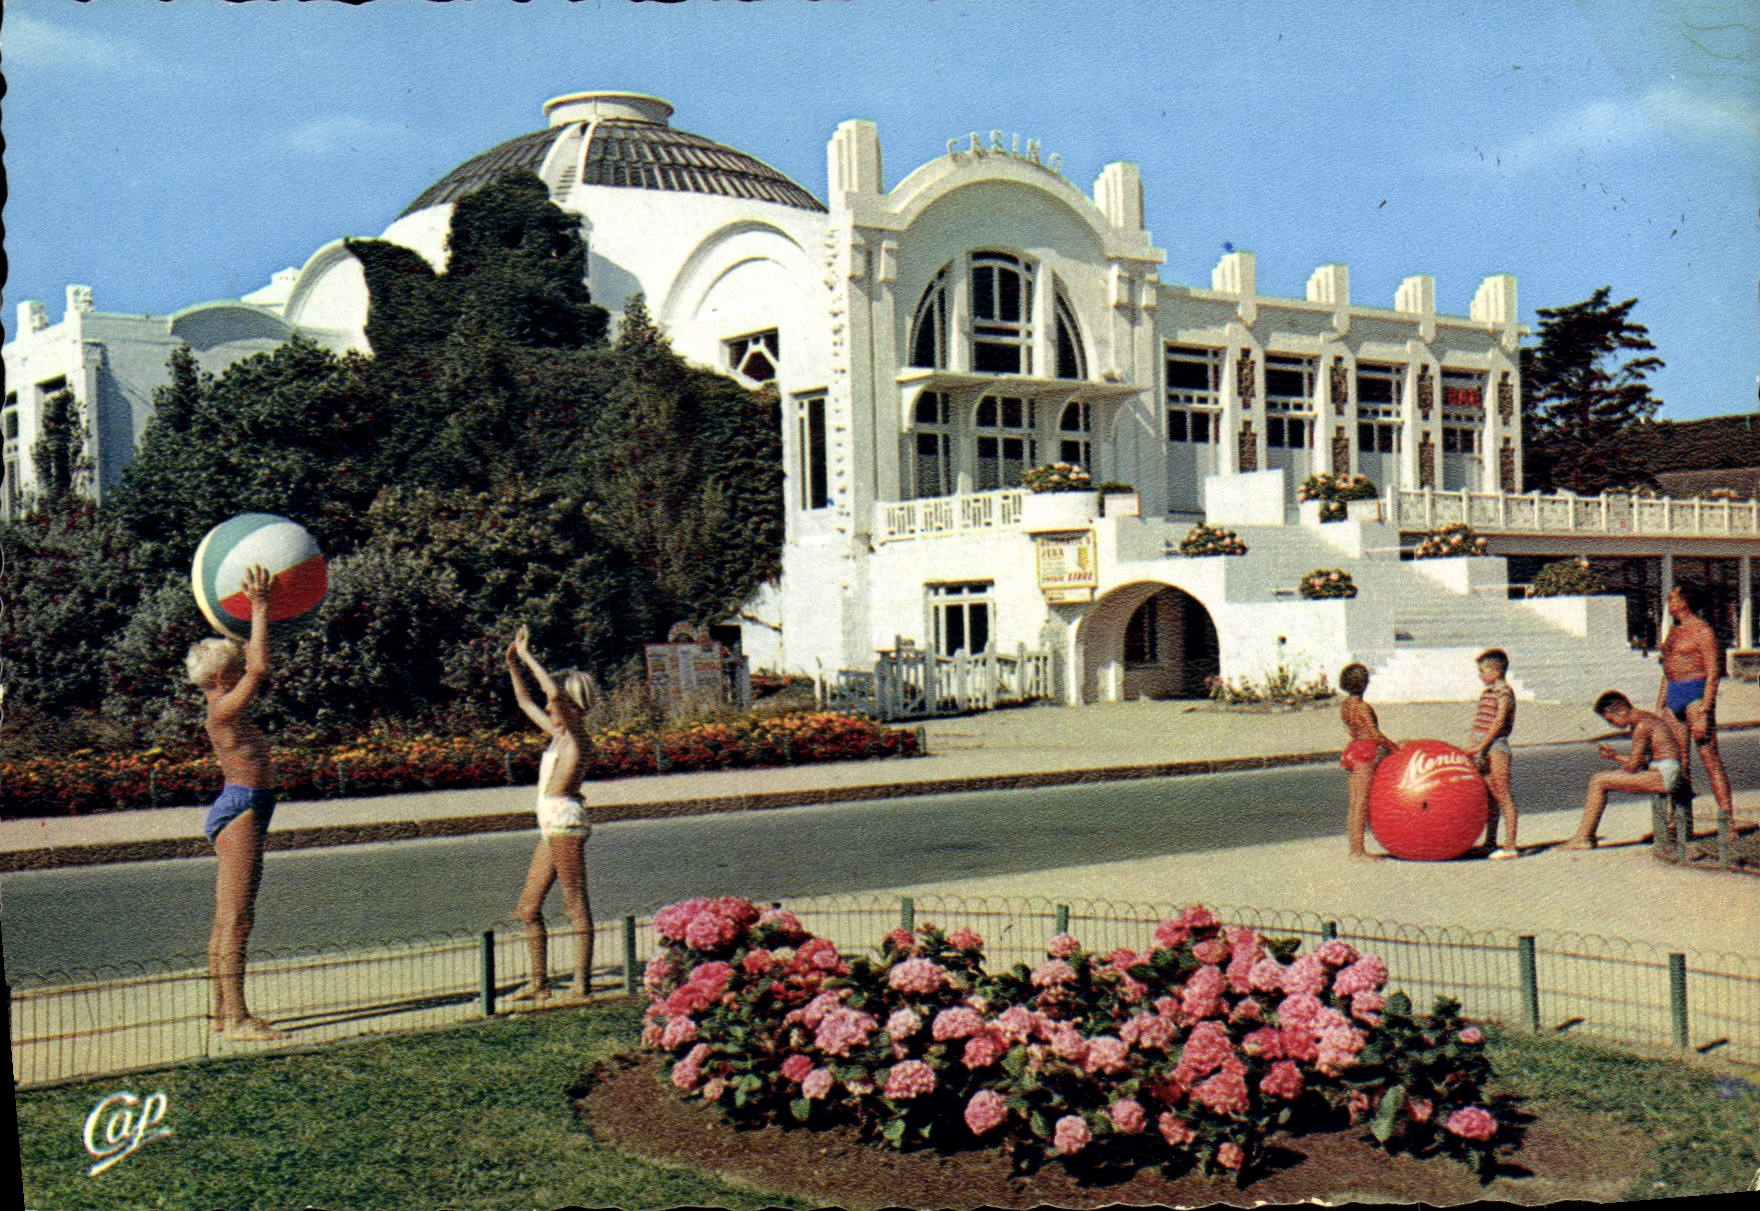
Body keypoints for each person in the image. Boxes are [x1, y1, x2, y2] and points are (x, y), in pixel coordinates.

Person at [186, 565, 284, 1041]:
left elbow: (251, 661)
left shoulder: (223, 705)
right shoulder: (223, 708)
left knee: (228, 916)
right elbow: (259, 666)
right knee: (238, 917)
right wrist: (260, 607)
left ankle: (220, 1013)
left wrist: (247, 621)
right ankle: (238, 1019)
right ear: (225, 675)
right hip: (242, 807)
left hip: (244, 804)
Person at [506, 626, 597, 1003]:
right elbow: (527, 702)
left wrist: (528, 656)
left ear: (572, 706)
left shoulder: (577, 737)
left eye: (556, 706)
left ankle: (580, 984)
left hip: (565, 824)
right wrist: (512, 665)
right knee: (528, 908)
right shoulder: (558, 736)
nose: (549, 709)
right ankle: (539, 982)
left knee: (574, 904)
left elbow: (552, 693)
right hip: (549, 825)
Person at [1657, 581, 1736, 846]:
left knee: (1709, 756)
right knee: (1677, 763)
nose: (1669, 603)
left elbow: (1714, 671)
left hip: (1696, 692)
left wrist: (1706, 706)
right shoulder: (1673, 632)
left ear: (1684, 602)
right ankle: (1681, 823)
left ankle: (1729, 820)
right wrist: (1660, 707)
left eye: (1673, 599)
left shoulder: (1703, 631)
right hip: (1674, 694)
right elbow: (1666, 672)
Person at [1562, 690, 1685, 849]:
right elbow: (1640, 761)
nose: (1612, 725)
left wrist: (1618, 770)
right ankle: (1585, 836)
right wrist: (1614, 757)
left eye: (1611, 720)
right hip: (1665, 771)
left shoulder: (1641, 726)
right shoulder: (1644, 720)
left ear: (1621, 709)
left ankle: (1583, 837)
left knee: (1598, 781)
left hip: (1664, 774)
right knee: (1602, 778)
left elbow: (1634, 766)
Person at [1337, 662, 1399, 861]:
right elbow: (1373, 734)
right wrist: (1393, 747)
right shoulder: (1363, 707)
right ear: (1364, 684)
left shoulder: (1345, 706)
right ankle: (1359, 851)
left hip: (1352, 749)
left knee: (1354, 803)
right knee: (1362, 803)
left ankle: (1353, 849)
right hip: (1365, 752)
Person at [1464, 649, 1520, 859]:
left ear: (1496, 671)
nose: (1480, 675)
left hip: (1496, 747)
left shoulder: (1505, 693)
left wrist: (1480, 747)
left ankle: (1510, 846)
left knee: (1503, 794)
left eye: (1482, 671)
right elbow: (1478, 723)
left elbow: (1498, 724)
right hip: (1482, 747)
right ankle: (1490, 841)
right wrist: (1473, 745)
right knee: (1490, 796)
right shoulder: (1486, 693)